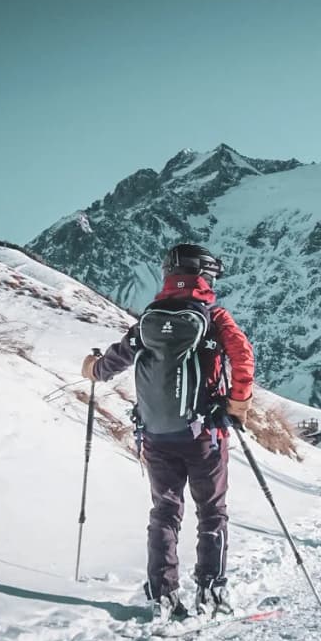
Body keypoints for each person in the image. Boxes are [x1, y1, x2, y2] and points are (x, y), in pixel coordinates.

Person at [81, 243, 254, 620]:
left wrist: (93, 370)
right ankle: (211, 591)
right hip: (204, 436)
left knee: (165, 511)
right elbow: (242, 356)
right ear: (204, 276)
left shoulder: (149, 320)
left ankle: (162, 593)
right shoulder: (214, 317)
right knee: (212, 512)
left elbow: (114, 360)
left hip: (156, 436)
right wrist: (237, 406)